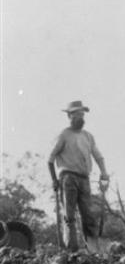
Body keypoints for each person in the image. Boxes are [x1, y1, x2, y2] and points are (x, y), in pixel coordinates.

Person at [48, 100, 110, 252]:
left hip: (84, 178)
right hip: (68, 177)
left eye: (82, 115)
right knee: (69, 215)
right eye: (77, 115)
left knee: (88, 214)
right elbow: (50, 159)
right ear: (69, 116)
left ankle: (93, 250)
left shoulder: (88, 136)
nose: (80, 118)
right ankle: (71, 249)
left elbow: (98, 156)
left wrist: (104, 172)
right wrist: (54, 180)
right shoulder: (64, 135)